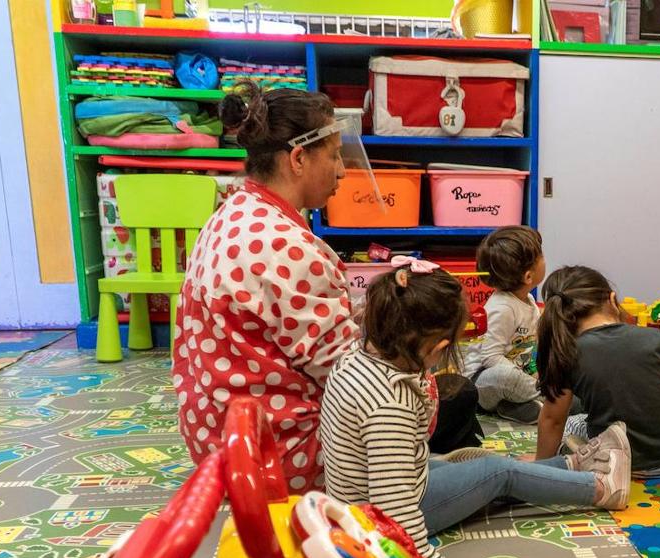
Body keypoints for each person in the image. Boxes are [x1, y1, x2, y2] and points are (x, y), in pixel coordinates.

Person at [171, 82, 477, 491]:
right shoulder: (292, 249)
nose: (342, 170)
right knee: (453, 397)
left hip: (222, 449)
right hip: (284, 463)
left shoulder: (227, 216)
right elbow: (364, 383)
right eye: (333, 155)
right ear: (298, 158)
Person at [320, 259, 631, 558]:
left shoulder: (357, 357)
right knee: (497, 473)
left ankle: (569, 467)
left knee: (487, 468)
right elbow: (393, 504)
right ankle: (599, 488)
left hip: (378, 493)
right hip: (380, 518)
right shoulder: (389, 402)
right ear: (437, 348)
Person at [534, 265, 660, 481]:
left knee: (572, 422)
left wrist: (540, 468)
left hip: (618, 464)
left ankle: (584, 454)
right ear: (612, 300)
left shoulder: (567, 354)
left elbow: (552, 419)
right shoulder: (657, 339)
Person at [462, 226, 546, 423]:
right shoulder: (503, 308)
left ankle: (514, 406)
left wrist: (534, 373)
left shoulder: (528, 301)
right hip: (481, 383)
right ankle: (554, 400)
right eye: (541, 256)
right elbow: (490, 358)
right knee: (505, 377)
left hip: (516, 378)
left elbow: (527, 349)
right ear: (528, 276)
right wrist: (529, 380)